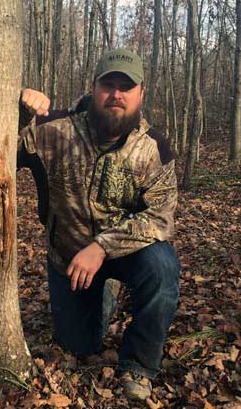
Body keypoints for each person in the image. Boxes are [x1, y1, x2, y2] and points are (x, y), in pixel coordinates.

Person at [17, 49, 180, 402]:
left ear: (141, 93)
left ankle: (139, 366)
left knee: (163, 267)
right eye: (109, 84)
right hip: (68, 256)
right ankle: (102, 298)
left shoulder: (155, 150)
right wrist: (19, 110)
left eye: (126, 86)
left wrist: (102, 247)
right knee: (79, 345)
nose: (116, 94)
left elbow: (160, 218)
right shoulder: (54, 130)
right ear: (93, 88)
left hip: (125, 253)